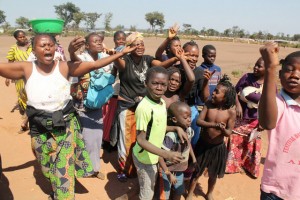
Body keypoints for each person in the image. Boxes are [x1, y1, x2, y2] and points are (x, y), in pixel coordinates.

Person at [0, 33, 135, 199]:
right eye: (42, 45)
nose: (47, 47)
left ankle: (63, 194)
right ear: (34, 51)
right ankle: (57, 187)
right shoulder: (26, 68)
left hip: (64, 125)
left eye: (50, 44)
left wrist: (121, 53)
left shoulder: (64, 67)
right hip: (39, 126)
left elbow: (94, 65)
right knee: (46, 166)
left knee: (63, 168)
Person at [113, 32, 179, 182]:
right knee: (126, 139)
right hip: (128, 105)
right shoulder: (125, 60)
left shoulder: (148, 60)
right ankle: (123, 170)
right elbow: (118, 63)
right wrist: (119, 54)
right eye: (136, 44)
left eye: (142, 44)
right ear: (129, 47)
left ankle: (137, 167)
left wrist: (176, 56)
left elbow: (161, 66)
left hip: (144, 106)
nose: (140, 47)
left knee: (142, 138)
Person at [132, 66, 184, 200]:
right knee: (147, 194)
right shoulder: (144, 108)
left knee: (148, 186)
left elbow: (158, 127)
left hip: (154, 155)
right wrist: (166, 154)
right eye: (155, 83)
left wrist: (175, 128)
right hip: (145, 158)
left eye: (163, 84)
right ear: (146, 83)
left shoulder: (160, 102)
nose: (159, 87)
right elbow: (141, 140)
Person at [69, 32, 116, 180]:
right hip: (79, 103)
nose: (98, 43)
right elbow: (76, 62)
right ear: (87, 46)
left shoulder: (105, 58)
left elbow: (112, 75)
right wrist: (71, 51)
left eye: (100, 41)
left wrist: (115, 55)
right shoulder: (83, 57)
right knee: (78, 136)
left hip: (96, 102)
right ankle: (79, 166)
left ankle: (93, 168)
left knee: (95, 137)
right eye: (94, 41)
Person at [259, 42, 300, 200]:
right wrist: (270, 69)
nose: (295, 75)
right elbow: (267, 122)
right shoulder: (278, 103)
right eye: (289, 70)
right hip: (276, 191)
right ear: (281, 73)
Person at [187, 75, 236, 200]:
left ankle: (209, 193)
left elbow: (229, 132)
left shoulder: (230, 112)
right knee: (196, 171)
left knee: (213, 174)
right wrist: (214, 125)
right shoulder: (208, 104)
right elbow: (199, 121)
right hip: (203, 145)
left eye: (216, 92)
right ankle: (190, 194)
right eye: (214, 90)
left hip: (217, 148)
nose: (213, 93)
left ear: (225, 98)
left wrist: (223, 129)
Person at [226, 57, 265, 178]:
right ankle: (232, 166)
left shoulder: (270, 84)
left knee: (252, 141)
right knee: (235, 139)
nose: (255, 68)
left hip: (256, 118)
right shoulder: (247, 77)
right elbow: (234, 91)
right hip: (241, 116)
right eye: (255, 65)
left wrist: (264, 120)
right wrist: (237, 105)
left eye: (259, 66)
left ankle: (248, 166)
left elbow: (271, 104)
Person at [157, 102, 197, 200]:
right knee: (164, 194)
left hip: (180, 170)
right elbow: (160, 155)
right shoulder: (171, 136)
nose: (189, 120)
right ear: (174, 119)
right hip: (168, 170)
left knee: (179, 190)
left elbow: (188, 145)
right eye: (185, 117)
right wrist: (168, 173)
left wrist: (194, 159)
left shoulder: (189, 131)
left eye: (190, 116)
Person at [102, 30, 127, 151]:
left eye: (123, 39)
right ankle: (107, 140)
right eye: (118, 39)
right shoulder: (110, 53)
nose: (121, 41)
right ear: (114, 40)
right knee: (110, 116)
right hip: (113, 88)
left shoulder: (127, 52)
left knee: (118, 118)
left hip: (124, 89)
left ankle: (115, 140)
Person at [5, 30, 32, 133]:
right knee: (22, 95)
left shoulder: (31, 47)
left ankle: (27, 117)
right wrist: (8, 76)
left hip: (31, 74)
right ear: (16, 38)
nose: (23, 38)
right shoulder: (13, 49)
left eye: (24, 36)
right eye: (20, 37)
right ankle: (27, 112)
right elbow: (10, 62)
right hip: (19, 76)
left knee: (32, 95)